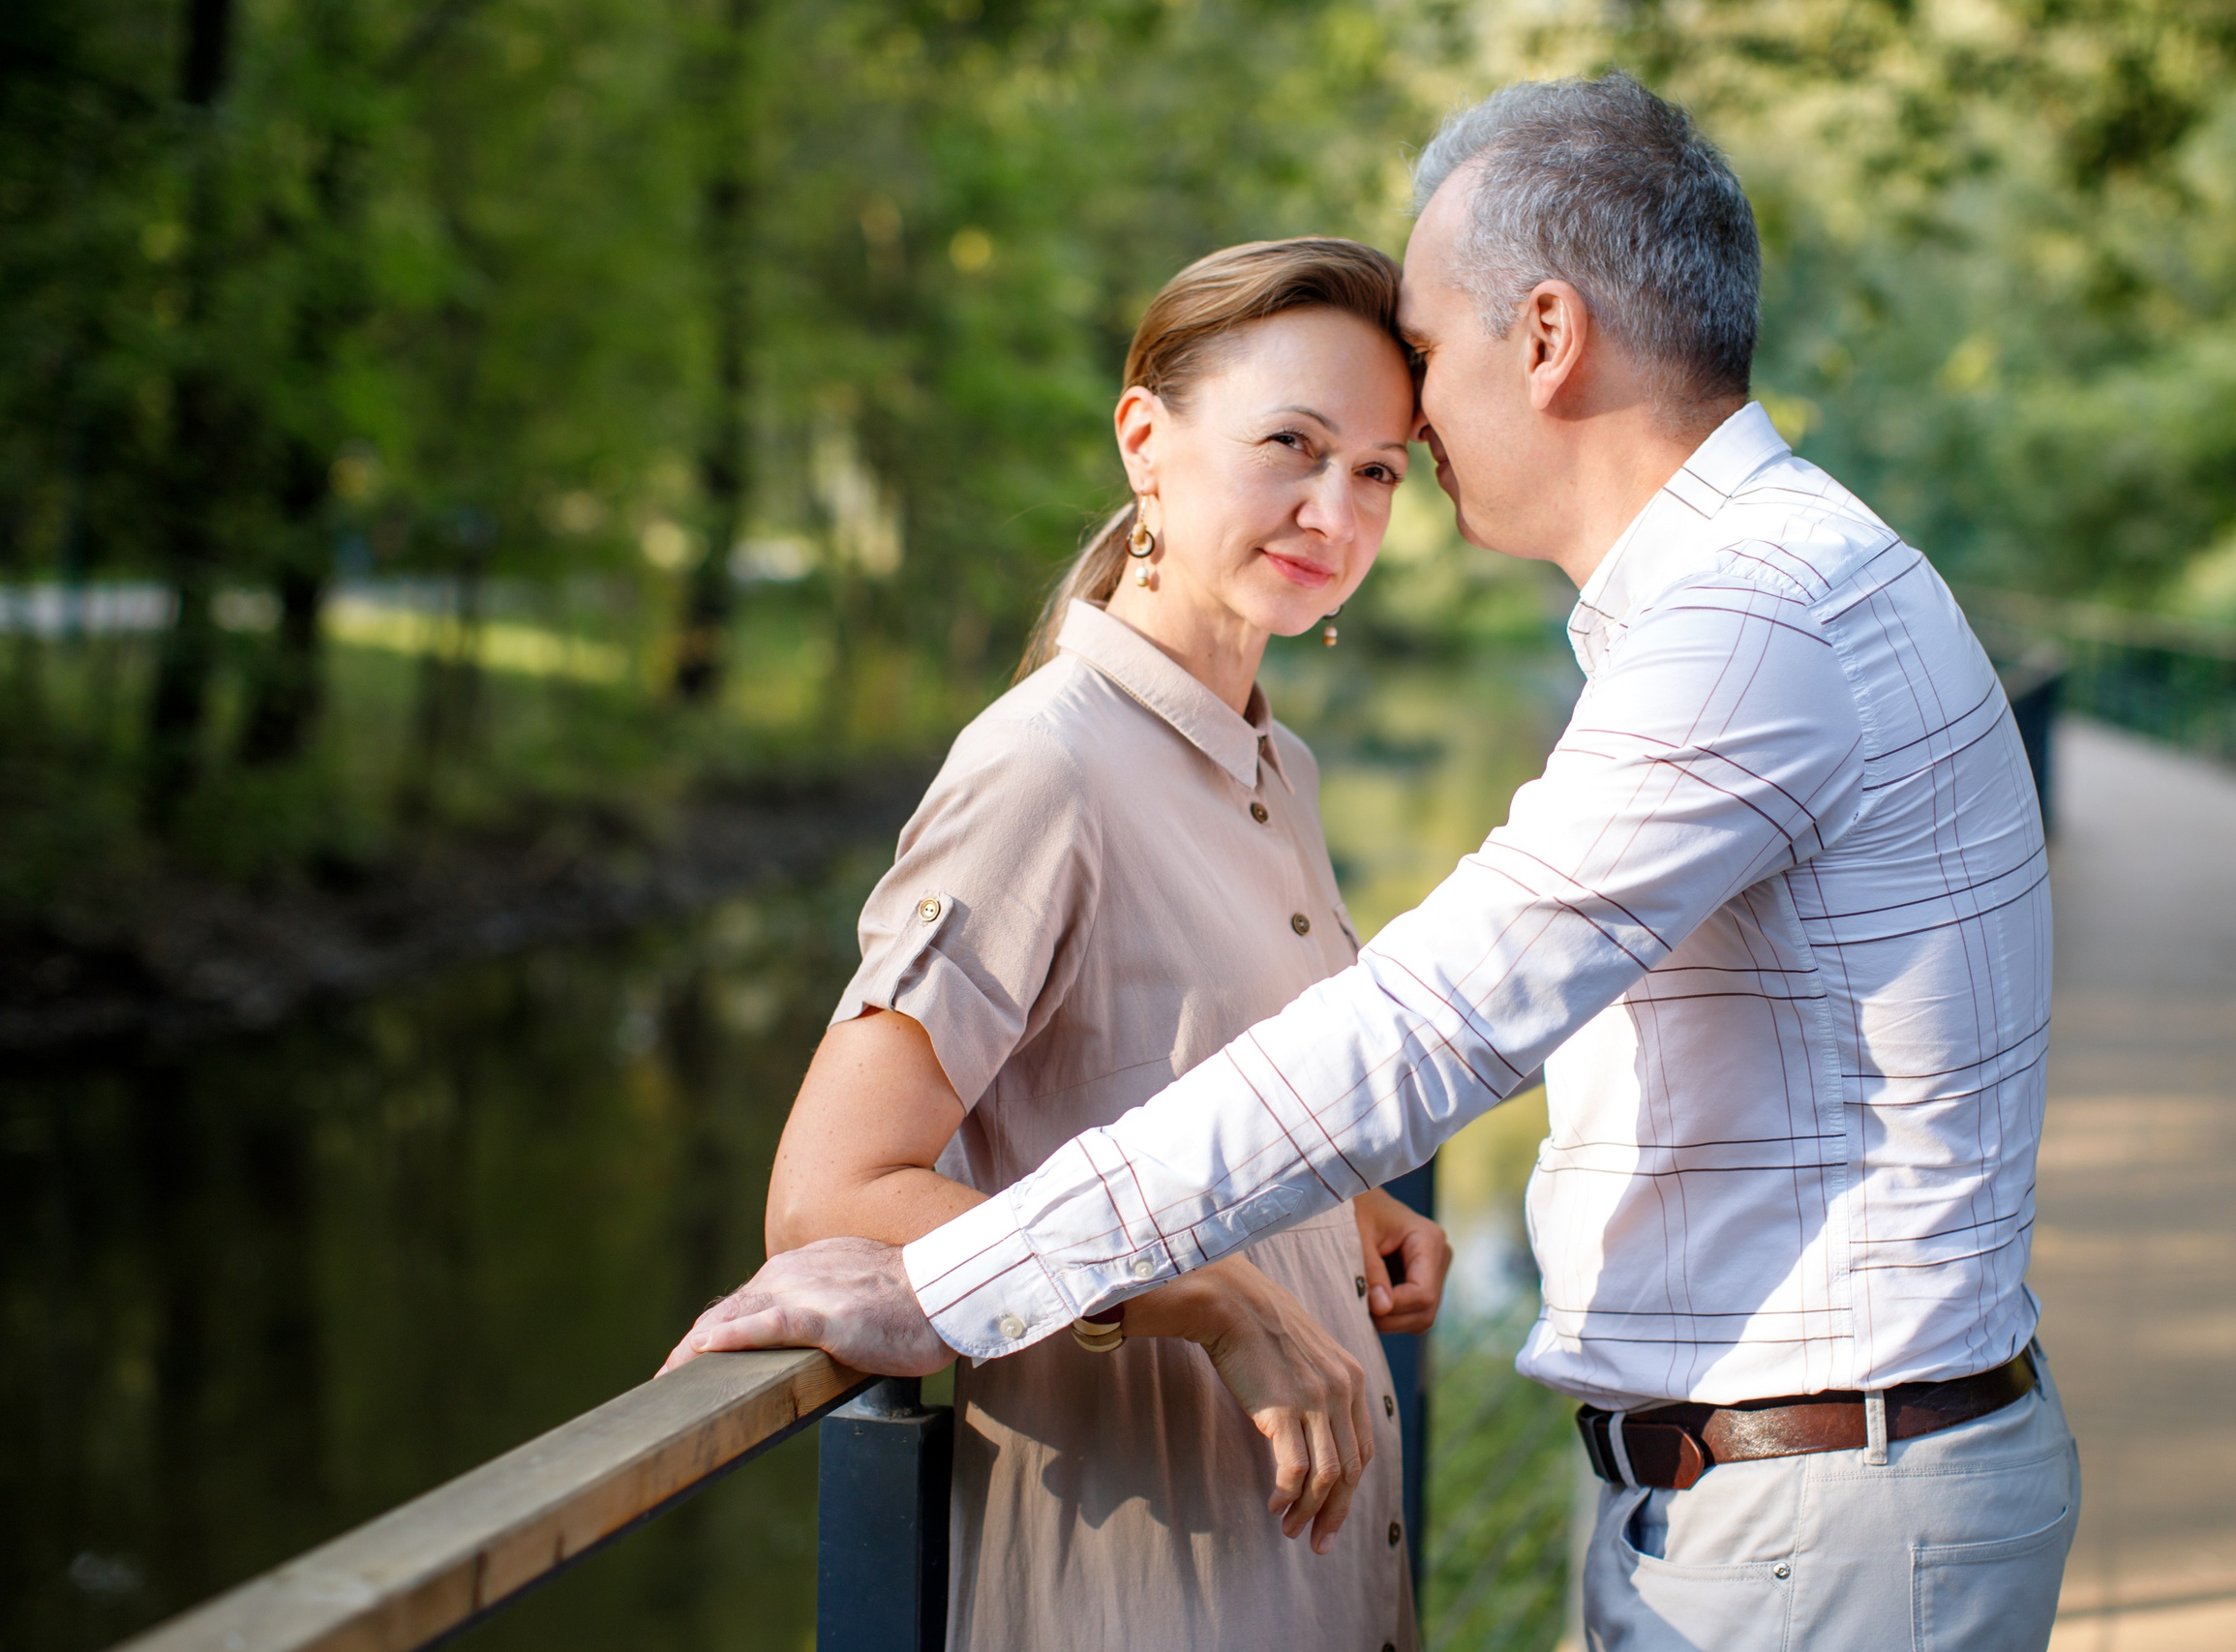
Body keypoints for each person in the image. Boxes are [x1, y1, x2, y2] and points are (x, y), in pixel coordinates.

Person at [673, 75, 2079, 1652]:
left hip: (1817, 1522)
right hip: (1767, 1505)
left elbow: (1428, 1024)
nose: (1366, 480)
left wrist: (966, 1279)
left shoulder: (1748, 619)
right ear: (1148, 443)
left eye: (1395, 424)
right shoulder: (1780, 582)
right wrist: (1213, 1264)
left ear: (1542, 338)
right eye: (1296, 440)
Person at [665, 237, 1442, 1652]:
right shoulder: (1045, 769)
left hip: (1329, 1577)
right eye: (1293, 445)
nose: (1337, 508)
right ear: (1147, 440)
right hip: (1139, 1583)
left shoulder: (1282, 770)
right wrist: (1211, 1301)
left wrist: (1348, 1214)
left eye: (1382, 469)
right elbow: (829, 1195)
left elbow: (1177, 1087)